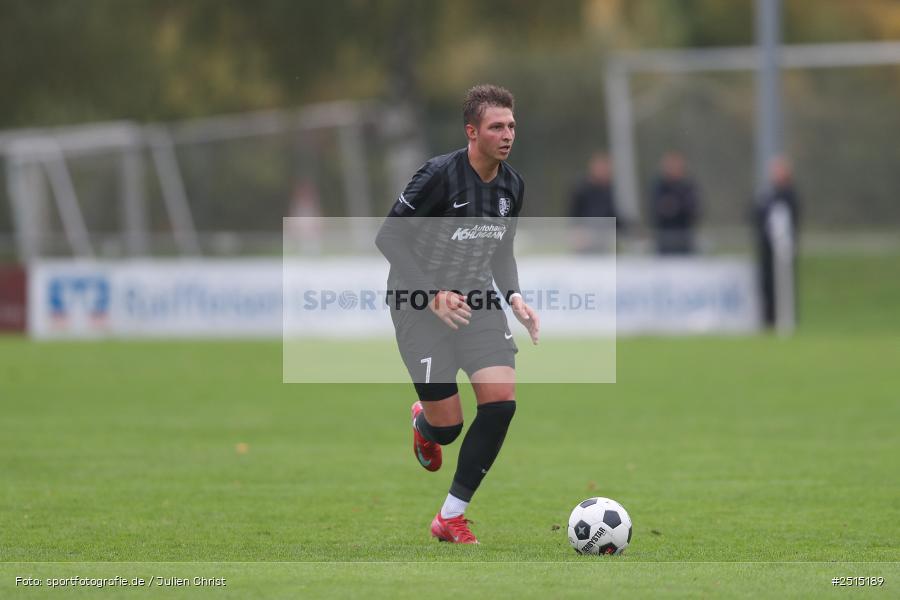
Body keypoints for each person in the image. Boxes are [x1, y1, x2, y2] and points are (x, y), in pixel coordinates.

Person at [375, 84, 540, 544]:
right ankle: (424, 422)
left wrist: (514, 298)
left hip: (478, 303)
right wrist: (431, 295)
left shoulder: (512, 186)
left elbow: (502, 252)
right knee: (447, 429)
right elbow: (388, 238)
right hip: (417, 304)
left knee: (501, 403)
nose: (507, 134)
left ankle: (451, 515)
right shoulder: (437, 177)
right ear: (472, 131)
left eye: (511, 125)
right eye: (496, 127)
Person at [755, 157, 800, 329]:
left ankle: (787, 320)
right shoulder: (767, 193)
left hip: (783, 251)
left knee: (784, 286)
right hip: (766, 250)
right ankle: (769, 322)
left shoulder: (790, 194)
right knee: (767, 287)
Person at [568, 153, 620, 253]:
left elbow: (613, 215)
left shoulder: (609, 190)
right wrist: (577, 233)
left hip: (603, 243)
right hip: (585, 243)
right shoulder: (581, 189)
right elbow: (573, 214)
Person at [649, 152, 700, 255]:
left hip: (685, 240)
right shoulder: (658, 187)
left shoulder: (688, 186)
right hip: (663, 240)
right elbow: (654, 210)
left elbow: (694, 210)